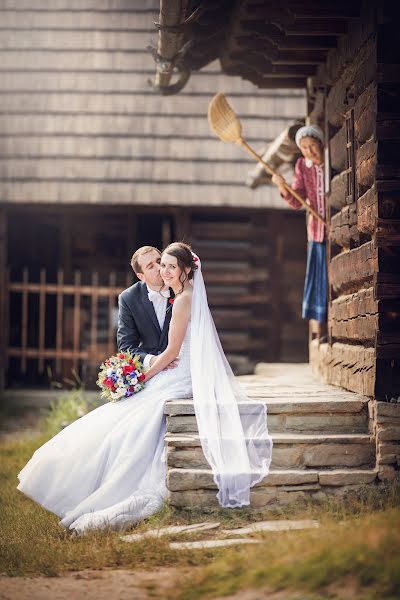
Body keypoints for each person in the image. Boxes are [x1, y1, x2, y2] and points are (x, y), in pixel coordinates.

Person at [17, 243, 272, 533]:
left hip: (178, 371)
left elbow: (175, 349)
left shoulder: (182, 297)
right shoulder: (137, 298)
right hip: (166, 368)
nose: (162, 270)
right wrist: (146, 370)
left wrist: (146, 377)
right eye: (155, 266)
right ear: (141, 275)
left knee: (135, 420)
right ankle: (73, 479)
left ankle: (115, 486)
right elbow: (127, 346)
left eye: (164, 264)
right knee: (118, 418)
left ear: (183, 269)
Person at [271, 124, 328, 341]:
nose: (309, 152)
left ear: (321, 144)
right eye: (304, 148)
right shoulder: (303, 167)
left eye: (312, 146)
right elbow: (297, 201)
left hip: (335, 229)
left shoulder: (332, 162)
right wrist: (283, 187)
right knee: (318, 279)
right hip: (317, 232)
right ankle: (320, 327)